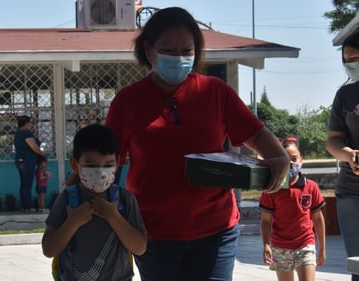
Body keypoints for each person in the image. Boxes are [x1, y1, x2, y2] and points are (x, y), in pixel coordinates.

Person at [105, 7, 289, 281]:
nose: (179, 57)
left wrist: (279, 157)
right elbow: (105, 162)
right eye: (169, 50)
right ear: (149, 49)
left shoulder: (215, 92)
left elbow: (258, 134)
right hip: (152, 236)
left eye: (186, 50)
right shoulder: (128, 101)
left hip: (216, 232)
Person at [42, 124, 147, 281]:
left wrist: (113, 217)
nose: (100, 172)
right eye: (91, 166)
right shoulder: (67, 199)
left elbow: (139, 248)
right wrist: (73, 222)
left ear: (118, 162)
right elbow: (49, 249)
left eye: (108, 165)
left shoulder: (125, 200)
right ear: (75, 165)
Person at [259, 140, 326, 281]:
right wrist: (266, 244)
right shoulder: (272, 189)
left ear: (301, 159)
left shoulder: (311, 187)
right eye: (286, 159)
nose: (291, 164)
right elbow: (266, 220)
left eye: (294, 159)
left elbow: (318, 218)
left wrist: (322, 249)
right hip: (280, 247)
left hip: (305, 244)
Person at [327, 29, 359, 281]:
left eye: (356, 58)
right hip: (351, 190)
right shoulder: (345, 95)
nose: (351, 64)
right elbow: (333, 141)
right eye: (347, 59)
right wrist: (347, 154)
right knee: (357, 264)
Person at [13, 115, 43, 213]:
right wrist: (41, 154)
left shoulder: (18, 134)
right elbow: (34, 147)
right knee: (27, 183)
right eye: (29, 123)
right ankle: (28, 207)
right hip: (27, 162)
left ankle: (24, 206)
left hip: (20, 161)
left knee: (24, 183)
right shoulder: (25, 134)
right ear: (26, 123)